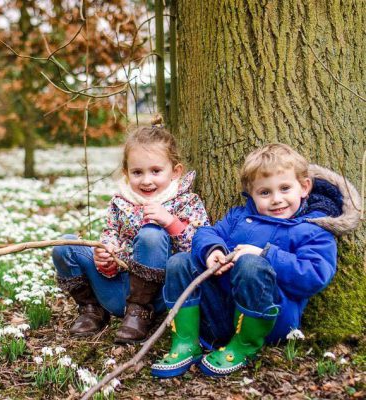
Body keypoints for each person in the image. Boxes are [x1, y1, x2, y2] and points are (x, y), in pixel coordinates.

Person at [150, 143, 361, 378]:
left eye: (284, 188)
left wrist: (264, 254)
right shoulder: (239, 217)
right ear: (251, 194)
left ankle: (244, 345)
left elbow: (314, 275)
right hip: (219, 315)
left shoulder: (313, 229)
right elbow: (206, 233)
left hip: (269, 320)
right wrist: (212, 251)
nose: (276, 199)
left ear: (304, 187)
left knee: (251, 264)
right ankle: (185, 342)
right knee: (179, 261)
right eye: (265, 192)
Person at [52, 116, 209, 344]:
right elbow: (109, 234)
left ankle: (139, 314)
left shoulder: (187, 202)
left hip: (156, 296)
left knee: (151, 234)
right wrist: (105, 255)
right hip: (116, 288)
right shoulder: (120, 202)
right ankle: (92, 311)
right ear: (126, 172)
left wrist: (171, 223)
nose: (146, 180)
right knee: (64, 246)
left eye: (156, 171)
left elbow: (200, 249)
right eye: (137, 172)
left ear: (175, 171)